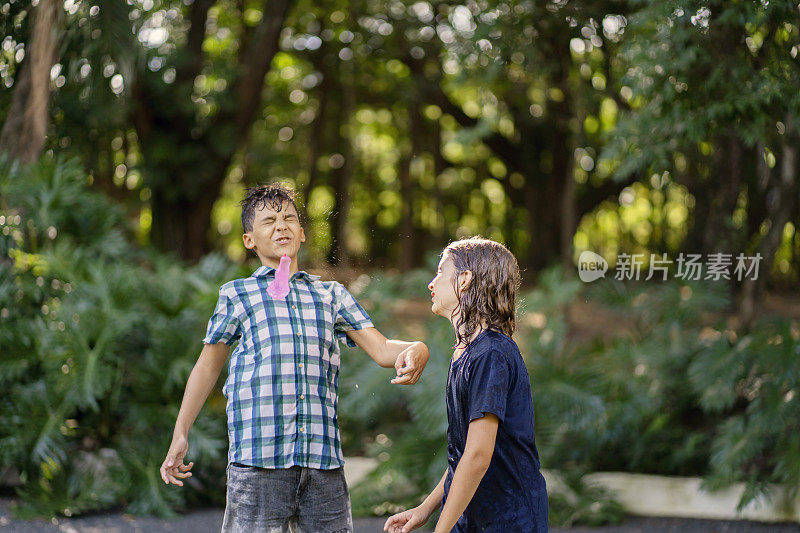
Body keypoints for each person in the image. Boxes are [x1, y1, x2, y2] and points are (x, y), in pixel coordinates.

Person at [159, 183, 430, 533]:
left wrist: (416, 348)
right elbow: (208, 366)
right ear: (249, 240)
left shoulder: (330, 295)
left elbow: (380, 349)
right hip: (258, 461)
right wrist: (181, 432)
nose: (281, 226)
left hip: (322, 463)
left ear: (302, 234)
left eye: (289, 218)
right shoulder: (238, 295)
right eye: (269, 221)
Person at [384, 236, 548, 532]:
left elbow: (477, 456)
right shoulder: (467, 353)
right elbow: (463, 454)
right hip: (475, 518)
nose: (431, 283)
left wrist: (440, 530)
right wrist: (426, 509)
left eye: (440, 272)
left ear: (464, 280)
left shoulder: (491, 354)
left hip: (509, 521)